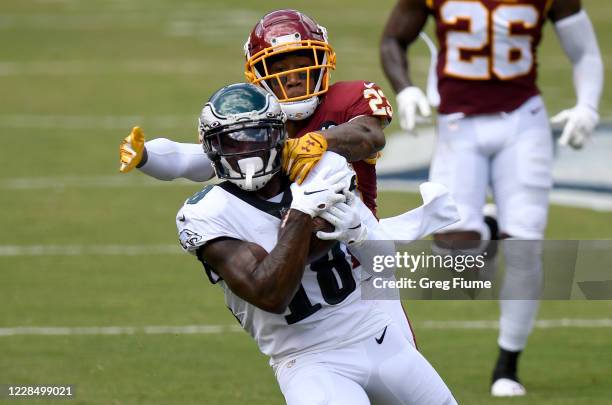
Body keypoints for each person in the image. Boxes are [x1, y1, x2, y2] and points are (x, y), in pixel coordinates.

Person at [119, 9, 422, 346]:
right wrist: (146, 156)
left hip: (360, 254)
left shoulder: (347, 99)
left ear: (324, 60)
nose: (293, 77)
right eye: (279, 68)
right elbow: (198, 159)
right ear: (259, 74)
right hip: (293, 265)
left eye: (301, 64)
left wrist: (323, 139)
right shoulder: (255, 122)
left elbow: (369, 134)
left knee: (401, 371)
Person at [177, 81, 457, 404]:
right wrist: (302, 211)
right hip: (308, 360)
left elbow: (384, 262)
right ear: (211, 147)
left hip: (375, 333)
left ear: (279, 136)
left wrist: (359, 233)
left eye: (257, 136)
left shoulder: (323, 167)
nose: (248, 152)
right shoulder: (206, 213)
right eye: (232, 142)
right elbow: (271, 292)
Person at [380, 0, 603, 397]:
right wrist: (407, 89)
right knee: (453, 252)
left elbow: (584, 49)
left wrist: (587, 105)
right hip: (457, 125)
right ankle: (489, 226)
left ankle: (507, 364)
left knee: (525, 247)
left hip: (522, 122)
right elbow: (393, 38)